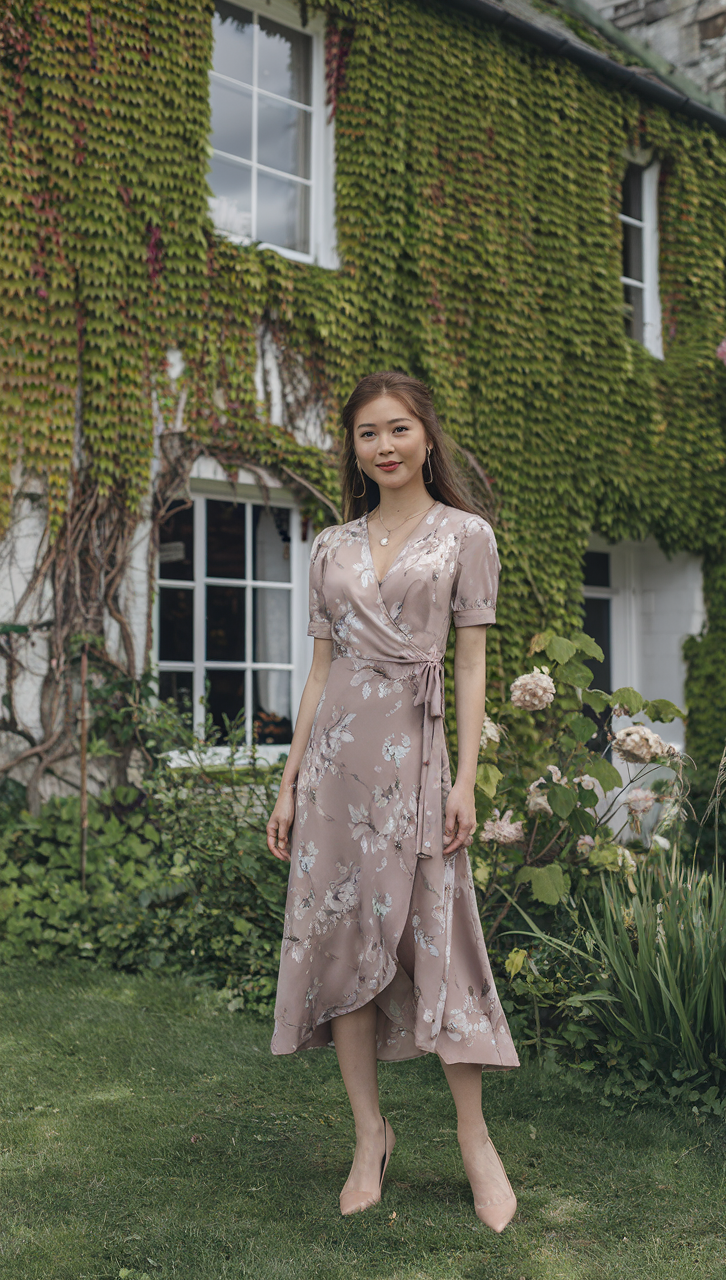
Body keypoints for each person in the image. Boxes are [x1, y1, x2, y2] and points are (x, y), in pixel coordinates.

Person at [267, 371, 519, 1233]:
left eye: (399, 428)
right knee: (342, 941)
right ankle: (369, 1135)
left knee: (436, 941)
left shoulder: (466, 536)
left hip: (417, 763)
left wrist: (465, 780)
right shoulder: (330, 547)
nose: (384, 445)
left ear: (426, 437)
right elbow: (321, 674)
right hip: (335, 769)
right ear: (354, 448)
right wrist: (289, 779)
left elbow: (475, 664)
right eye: (368, 433)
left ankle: (474, 1139)